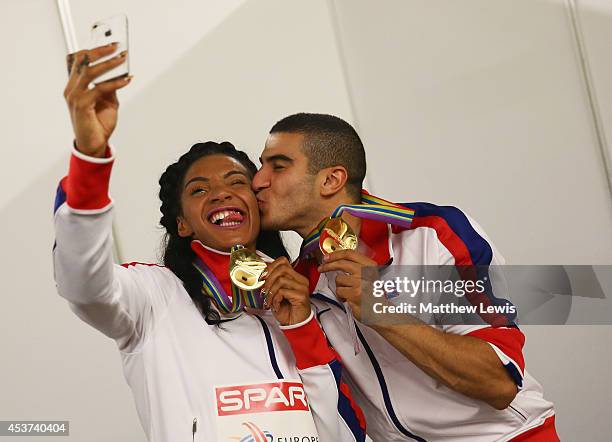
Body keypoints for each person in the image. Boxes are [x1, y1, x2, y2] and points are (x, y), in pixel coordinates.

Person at [53, 46, 366, 442]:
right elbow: (82, 283)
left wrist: (302, 328)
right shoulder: (153, 297)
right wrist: (91, 158)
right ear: (182, 224)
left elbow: (342, 435)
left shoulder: (305, 300)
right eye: (200, 190)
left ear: (258, 203)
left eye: (237, 183)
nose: (221, 194)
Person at [252, 113, 560, 441]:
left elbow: (499, 383)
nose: (258, 180)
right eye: (261, 166)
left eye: (279, 165)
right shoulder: (299, 287)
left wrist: (379, 309)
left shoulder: (430, 235)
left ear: (332, 180)